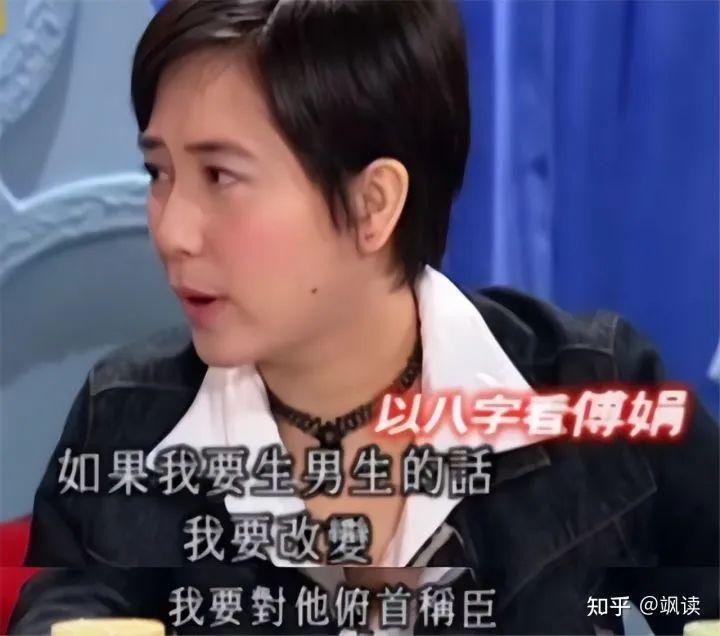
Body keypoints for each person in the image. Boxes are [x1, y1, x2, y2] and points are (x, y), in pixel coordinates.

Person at [9, 1, 719, 634]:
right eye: (159, 173)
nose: (172, 232)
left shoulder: (596, 387)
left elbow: (692, 600)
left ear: (374, 203)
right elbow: (68, 609)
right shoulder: (127, 420)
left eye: (220, 176)